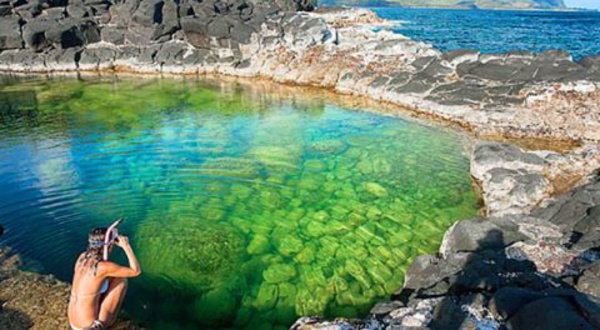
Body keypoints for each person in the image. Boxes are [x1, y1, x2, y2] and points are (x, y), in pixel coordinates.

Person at [68, 228, 141, 330]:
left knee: (110, 278)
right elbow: (136, 271)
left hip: (73, 321)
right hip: (89, 326)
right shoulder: (102, 267)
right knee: (121, 281)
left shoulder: (82, 257)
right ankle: (107, 322)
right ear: (108, 246)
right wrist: (126, 246)